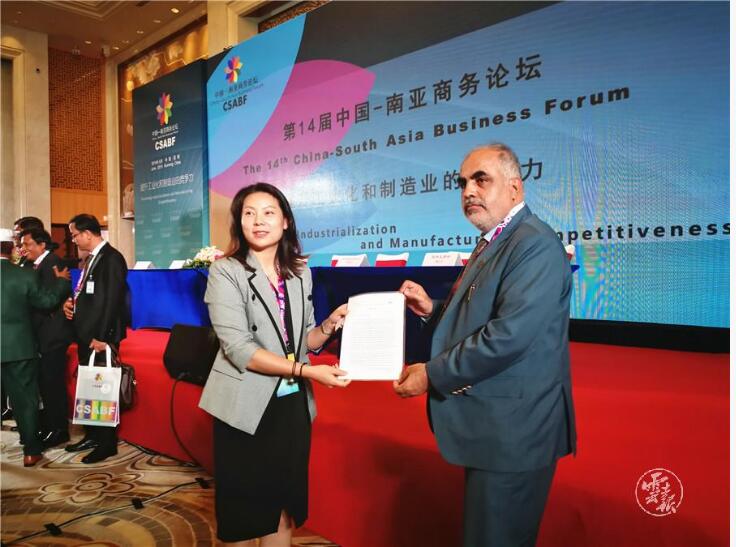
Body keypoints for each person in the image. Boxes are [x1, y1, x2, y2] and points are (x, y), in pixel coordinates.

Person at [395, 143, 576, 547]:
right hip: (497, 427)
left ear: (514, 187)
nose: (468, 191)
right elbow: (482, 315)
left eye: (481, 180)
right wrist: (431, 309)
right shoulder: (498, 238)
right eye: (463, 183)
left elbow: (508, 335)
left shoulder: (534, 243)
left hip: (515, 433)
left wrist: (431, 374)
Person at [199, 182, 350, 546]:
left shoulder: (300, 272)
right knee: (243, 511)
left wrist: (329, 325)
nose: (258, 221)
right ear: (239, 222)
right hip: (244, 405)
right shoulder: (226, 271)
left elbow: (302, 342)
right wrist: (305, 371)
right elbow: (239, 348)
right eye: (249, 213)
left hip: (290, 405)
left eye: (268, 213)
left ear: (285, 221)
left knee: (284, 503)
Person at [62, 214, 129, 464]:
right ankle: (92, 435)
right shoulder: (91, 258)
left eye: (75, 235)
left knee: (102, 389)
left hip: (100, 337)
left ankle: (106, 443)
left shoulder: (111, 258)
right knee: (89, 387)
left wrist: (103, 337)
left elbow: (112, 301)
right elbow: (88, 294)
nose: (74, 240)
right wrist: (72, 304)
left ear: (87, 233)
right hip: (86, 334)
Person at [0, 228, 69, 467]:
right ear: (12, 249)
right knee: (25, 400)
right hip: (19, 348)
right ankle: (31, 450)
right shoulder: (24, 275)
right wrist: (61, 283)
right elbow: (46, 302)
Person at [21, 228, 74, 448]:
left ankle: (59, 429)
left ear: (42, 244)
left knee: (53, 384)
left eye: (28, 244)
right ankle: (47, 424)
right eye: (22, 245)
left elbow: (49, 300)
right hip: (38, 334)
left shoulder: (54, 263)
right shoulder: (30, 265)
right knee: (43, 383)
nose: (24, 249)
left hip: (53, 334)